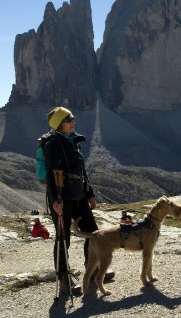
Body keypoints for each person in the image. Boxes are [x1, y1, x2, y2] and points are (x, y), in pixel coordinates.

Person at [44, 106, 113, 295]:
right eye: (68, 119)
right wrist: (54, 199)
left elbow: (82, 171)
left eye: (72, 118)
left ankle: (91, 271)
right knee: (62, 238)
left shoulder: (74, 140)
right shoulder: (53, 144)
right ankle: (64, 279)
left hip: (80, 195)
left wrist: (89, 192)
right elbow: (50, 174)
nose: (73, 121)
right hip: (62, 197)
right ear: (59, 124)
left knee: (93, 232)